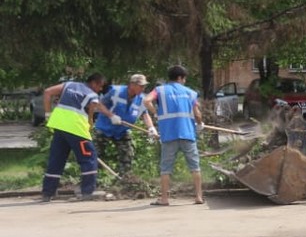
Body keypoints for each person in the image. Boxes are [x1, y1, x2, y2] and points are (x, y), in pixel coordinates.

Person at [40, 73, 124, 202]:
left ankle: (48, 193)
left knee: (56, 159)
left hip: (59, 126)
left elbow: (47, 92)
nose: (100, 89)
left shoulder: (69, 85)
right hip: (76, 129)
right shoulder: (91, 94)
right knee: (89, 158)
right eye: (100, 86)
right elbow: (98, 106)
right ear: (94, 83)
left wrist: (47, 114)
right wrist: (112, 116)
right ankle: (87, 192)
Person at [143, 65, 204, 206]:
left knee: (166, 168)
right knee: (195, 167)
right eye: (184, 78)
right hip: (188, 133)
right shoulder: (190, 93)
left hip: (169, 135)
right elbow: (197, 113)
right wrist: (200, 124)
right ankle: (199, 197)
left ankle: (164, 199)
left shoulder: (160, 90)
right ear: (180, 77)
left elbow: (146, 101)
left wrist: (156, 113)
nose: (184, 81)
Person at [93, 73, 157, 174]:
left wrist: (151, 128)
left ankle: (125, 180)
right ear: (132, 85)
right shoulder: (116, 92)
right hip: (105, 128)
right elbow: (99, 105)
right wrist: (111, 116)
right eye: (141, 86)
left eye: (144, 86)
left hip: (122, 130)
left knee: (127, 154)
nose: (143, 88)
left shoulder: (141, 99)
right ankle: (92, 179)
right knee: (95, 155)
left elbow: (145, 114)